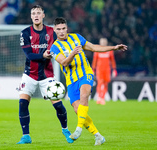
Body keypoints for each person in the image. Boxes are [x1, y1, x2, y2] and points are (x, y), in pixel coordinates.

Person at [50, 17, 127, 145]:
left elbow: (93, 47)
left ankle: (78, 129)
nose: (62, 31)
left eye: (63, 28)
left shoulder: (77, 37)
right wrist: (73, 53)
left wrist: (113, 48)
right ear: (54, 30)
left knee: (84, 95)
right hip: (71, 80)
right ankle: (98, 136)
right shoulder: (54, 47)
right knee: (77, 109)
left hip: (85, 73)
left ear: (67, 28)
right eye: (59, 29)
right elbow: (64, 62)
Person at [16, 5, 73, 144]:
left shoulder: (52, 32)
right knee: (23, 103)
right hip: (29, 74)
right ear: (31, 16)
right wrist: (44, 55)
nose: (36, 15)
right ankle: (26, 136)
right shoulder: (25, 33)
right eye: (33, 13)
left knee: (58, 105)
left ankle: (65, 129)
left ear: (43, 15)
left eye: (38, 13)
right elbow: (29, 55)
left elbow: (62, 45)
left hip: (47, 75)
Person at [92, 38, 117, 105]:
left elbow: (112, 61)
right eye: (102, 42)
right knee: (100, 83)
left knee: (105, 84)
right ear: (100, 43)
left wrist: (114, 70)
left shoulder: (109, 50)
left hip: (107, 70)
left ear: (106, 42)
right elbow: (94, 61)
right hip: (99, 70)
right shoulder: (97, 50)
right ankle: (99, 98)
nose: (103, 43)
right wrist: (93, 69)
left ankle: (102, 98)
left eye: (104, 42)